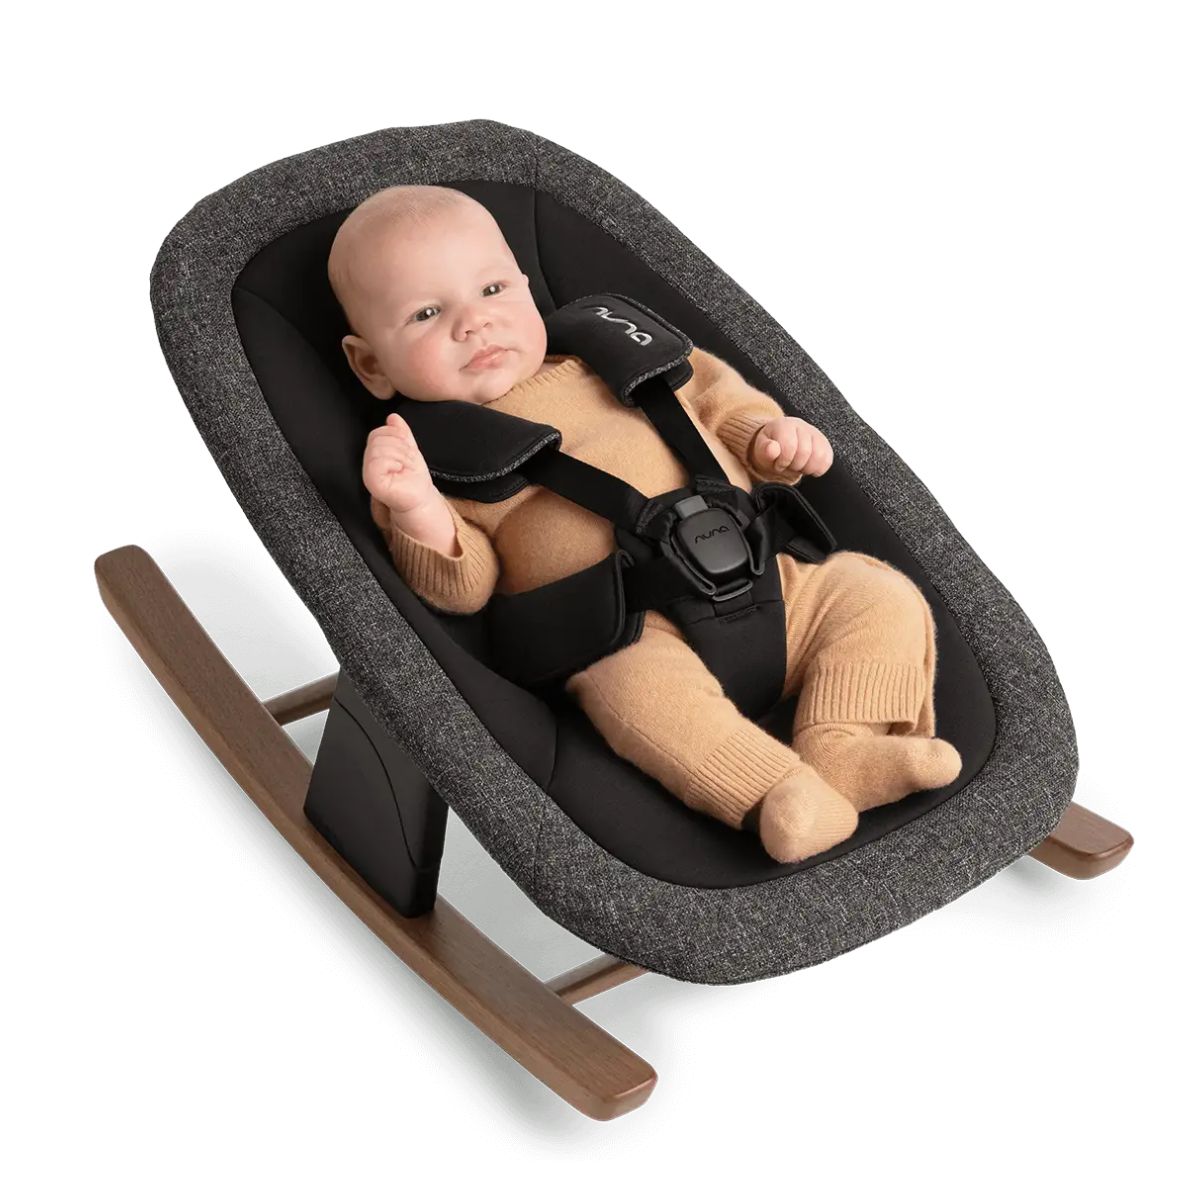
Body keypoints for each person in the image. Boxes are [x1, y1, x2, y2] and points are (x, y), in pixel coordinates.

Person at [328, 184, 963, 864]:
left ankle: (846, 749)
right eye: (427, 313)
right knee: (638, 697)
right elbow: (463, 592)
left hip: (770, 582)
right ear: (371, 364)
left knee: (875, 591)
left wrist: (768, 439)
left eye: (491, 290)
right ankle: (777, 795)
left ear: (526, 289)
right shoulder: (426, 458)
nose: (474, 323)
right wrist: (417, 511)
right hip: (625, 633)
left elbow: (720, 402)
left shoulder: (619, 354)